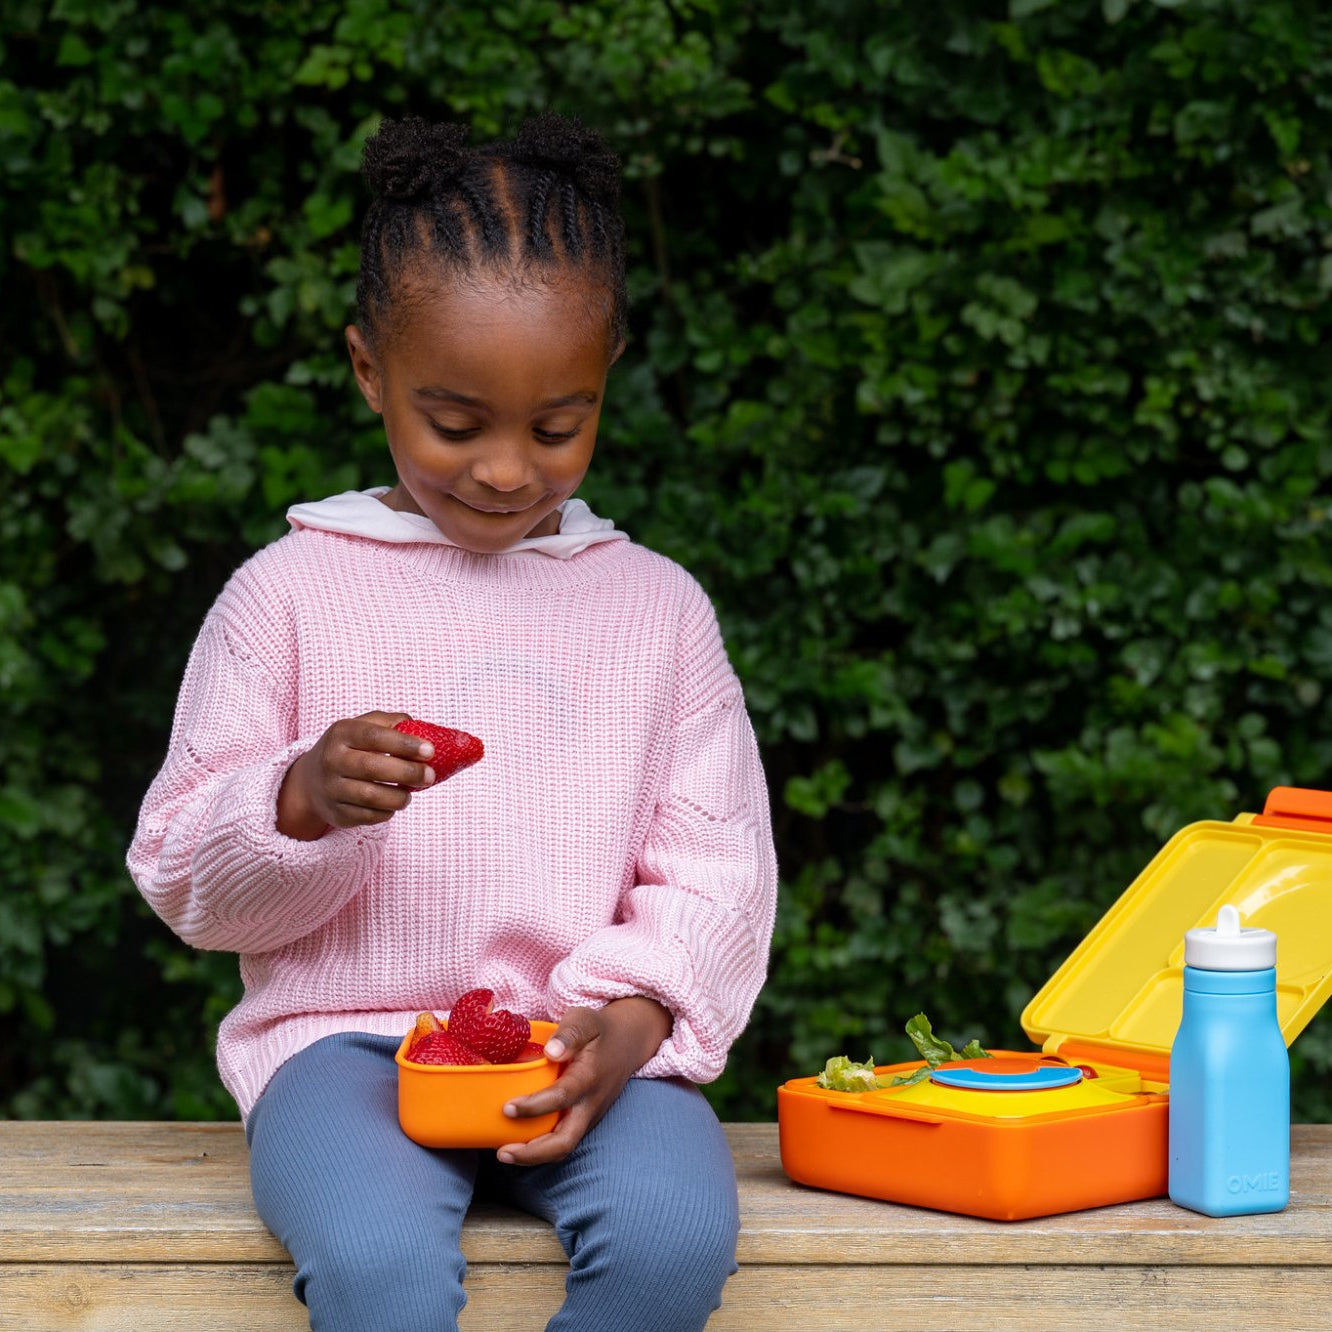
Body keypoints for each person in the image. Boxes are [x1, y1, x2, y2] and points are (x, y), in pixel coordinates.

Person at [127, 109, 778, 1332]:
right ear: (370, 368)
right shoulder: (289, 595)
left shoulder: (657, 611)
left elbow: (715, 866)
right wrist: (297, 802)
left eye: (556, 426)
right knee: (375, 1266)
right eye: (455, 422)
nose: (503, 471)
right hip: (344, 1051)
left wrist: (633, 1020)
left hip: (582, 1042)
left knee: (674, 1234)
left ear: (606, 377)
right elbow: (180, 877)